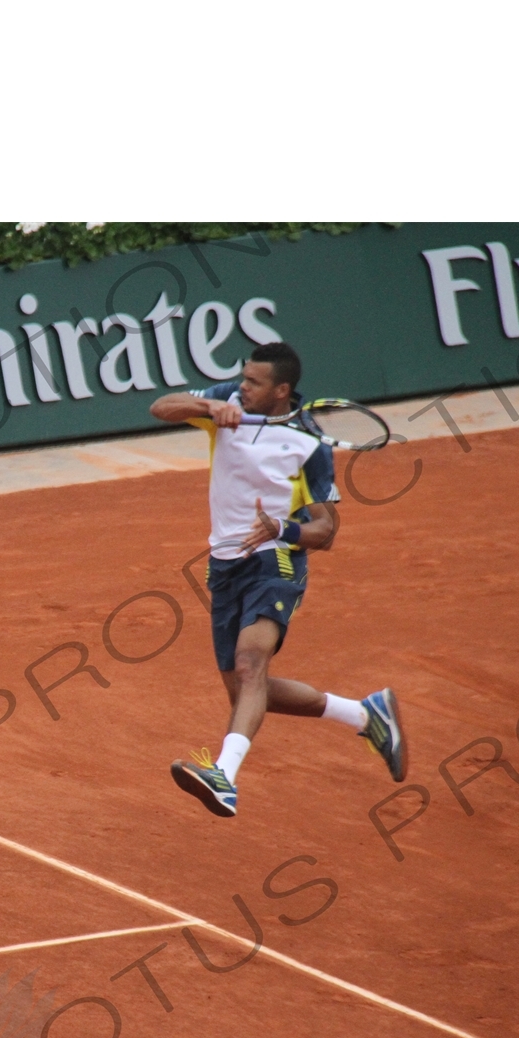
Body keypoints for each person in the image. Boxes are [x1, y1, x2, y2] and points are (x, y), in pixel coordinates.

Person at [149, 341, 405, 819]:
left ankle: (224, 776)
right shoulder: (229, 400)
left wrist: (281, 529)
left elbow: (325, 531)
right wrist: (210, 405)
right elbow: (160, 407)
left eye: (254, 382)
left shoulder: (310, 443)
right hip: (225, 565)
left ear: (282, 390)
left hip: (276, 562)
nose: (243, 388)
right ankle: (365, 714)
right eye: (242, 379)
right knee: (244, 687)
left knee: (250, 665)